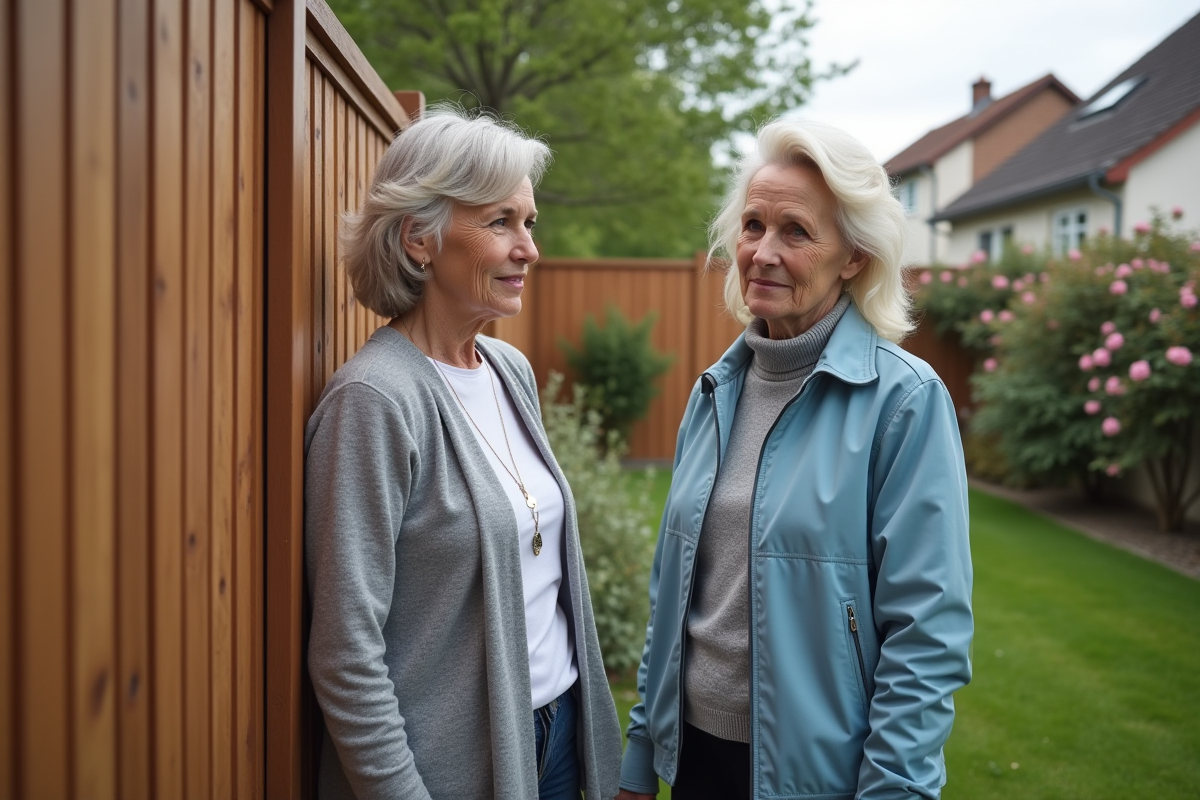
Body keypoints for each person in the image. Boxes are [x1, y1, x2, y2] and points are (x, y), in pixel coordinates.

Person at [616, 119, 974, 800]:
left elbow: (926, 633)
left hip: (817, 776)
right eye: (753, 226)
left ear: (854, 258)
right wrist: (641, 751)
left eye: (797, 232)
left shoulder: (904, 402)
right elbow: (673, 596)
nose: (763, 252)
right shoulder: (715, 391)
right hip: (695, 760)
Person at [305, 106, 622, 800]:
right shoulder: (374, 401)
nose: (528, 248)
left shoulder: (508, 370)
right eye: (500, 221)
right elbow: (344, 653)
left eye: (529, 223)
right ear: (420, 238)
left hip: (561, 734)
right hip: (459, 768)